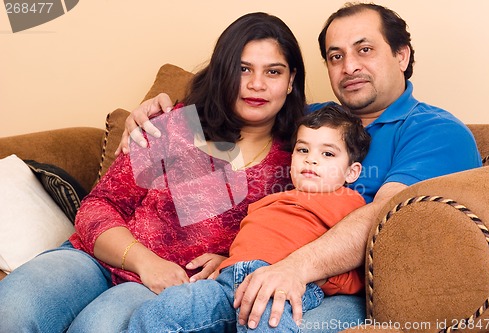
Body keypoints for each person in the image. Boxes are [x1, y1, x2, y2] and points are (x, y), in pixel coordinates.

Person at [118, 3, 482, 331]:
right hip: (253, 267)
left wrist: (292, 268)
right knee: (162, 314)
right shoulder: (309, 118)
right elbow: (232, 118)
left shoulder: (435, 131)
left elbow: (381, 216)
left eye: (364, 49)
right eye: (335, 56)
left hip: (338, 289)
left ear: (401, 55)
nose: (349, 66)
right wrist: (164, 114)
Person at [0, 12, 307, 333]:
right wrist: (146, 262)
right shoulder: (175, 123)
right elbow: (98, 206)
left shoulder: (301, 159)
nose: (256, 84)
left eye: (273, 71)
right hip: (95, 257)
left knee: (99, 327)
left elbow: (289, 236)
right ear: (222, 73)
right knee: (12, 307)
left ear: (290, 81)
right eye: (243, 69)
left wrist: (231, 263)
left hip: (168, 288)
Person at [127, 105, 371, 332]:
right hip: (227, 281)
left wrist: (327, 278)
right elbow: (256, 243)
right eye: (303, 149)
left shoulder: (348, 202)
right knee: (159, 311)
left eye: (328, 153)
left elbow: (356, 259)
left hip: (281, 286)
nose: (311, 159)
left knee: (267, 319)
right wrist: (228, 260)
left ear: (352, 171)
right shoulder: (269, 200)